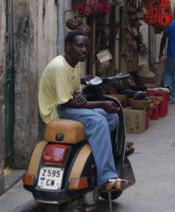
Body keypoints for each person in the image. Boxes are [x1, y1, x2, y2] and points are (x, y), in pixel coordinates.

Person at [38, 30, 131, 191]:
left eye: (86, 47)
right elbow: (67, 103)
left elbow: (76, 92)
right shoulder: (60, 66)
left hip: (67, 106)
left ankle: (97, 154)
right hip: (56, 112)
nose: (83, 50)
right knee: (99, 121)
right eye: (79, 46)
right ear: (68, 46)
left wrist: (80, 95)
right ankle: (107, 177)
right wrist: (101, 104)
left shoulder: (75, 64)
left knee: (112, 118)